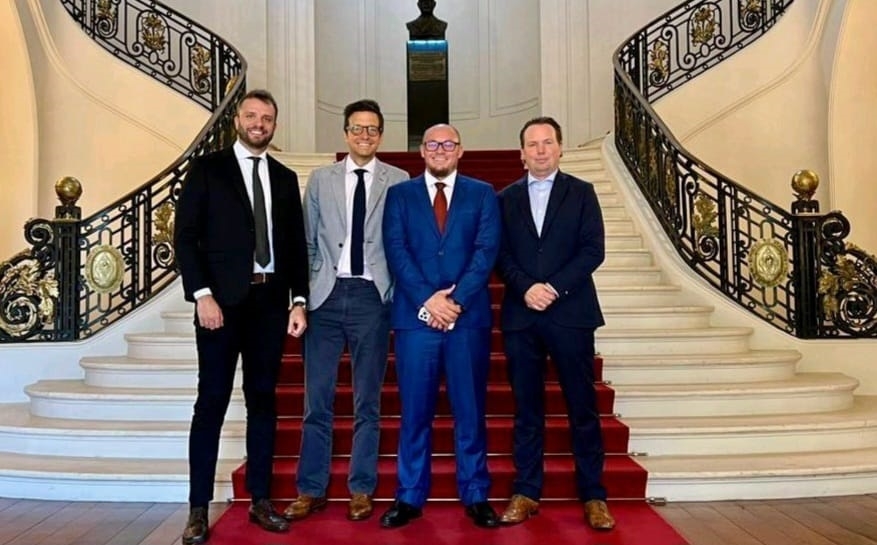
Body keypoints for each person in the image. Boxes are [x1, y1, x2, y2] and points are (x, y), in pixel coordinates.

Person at [174, 89, 309, 544]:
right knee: (210, 402)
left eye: (266, 118)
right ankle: (197, 509)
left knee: (263, 402)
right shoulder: (207, 169)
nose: (259, 124)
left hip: (269, 303)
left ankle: (260, 500)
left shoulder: (284, 178)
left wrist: (298, 300)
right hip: (220, 305)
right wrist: (202, 295)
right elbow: (185, 237)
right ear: (237, 120)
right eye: (251, 115)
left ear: (274, 125)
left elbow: (295, 246)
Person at [283, 100, 408, 523]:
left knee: (367, 400)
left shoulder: (399, 180)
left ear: (381, 135)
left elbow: (403, 241)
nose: (364, 135)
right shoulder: (321, 180)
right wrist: (300, 300)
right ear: (345, 133)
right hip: (326, 296)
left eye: (372, 129)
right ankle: (310, 488)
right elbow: (306, 243)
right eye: (357, 128)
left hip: (372, 297)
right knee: (316, 399)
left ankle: (361, 488)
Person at [495, 116, 615, 531]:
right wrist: (526, 287)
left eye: (548, 142)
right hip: (522, 315)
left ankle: (594, 495)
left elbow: (593, 249)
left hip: (571, 314)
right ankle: (526, 491)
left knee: (582, 407)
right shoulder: (505, 198)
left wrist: (554, 288)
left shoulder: (582, 193)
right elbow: (499, 253)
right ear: (522, 153)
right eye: (533, 144)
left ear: (560, 148)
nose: (541, 150)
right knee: (527, 409)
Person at [379, 124, 501, 530]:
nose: (440, 149)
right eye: (432, 144)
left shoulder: (483, 193)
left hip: (468, 319)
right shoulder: (400, 195)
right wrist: (428, 300)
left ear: (460, 150)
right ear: (422, 151)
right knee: (415, 412)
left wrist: (456, 301)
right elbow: (396, 250)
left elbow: (486, 251)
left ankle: (476, 493)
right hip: (416, 321)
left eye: (448, 144)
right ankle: (409, 495)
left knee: (470, 410)